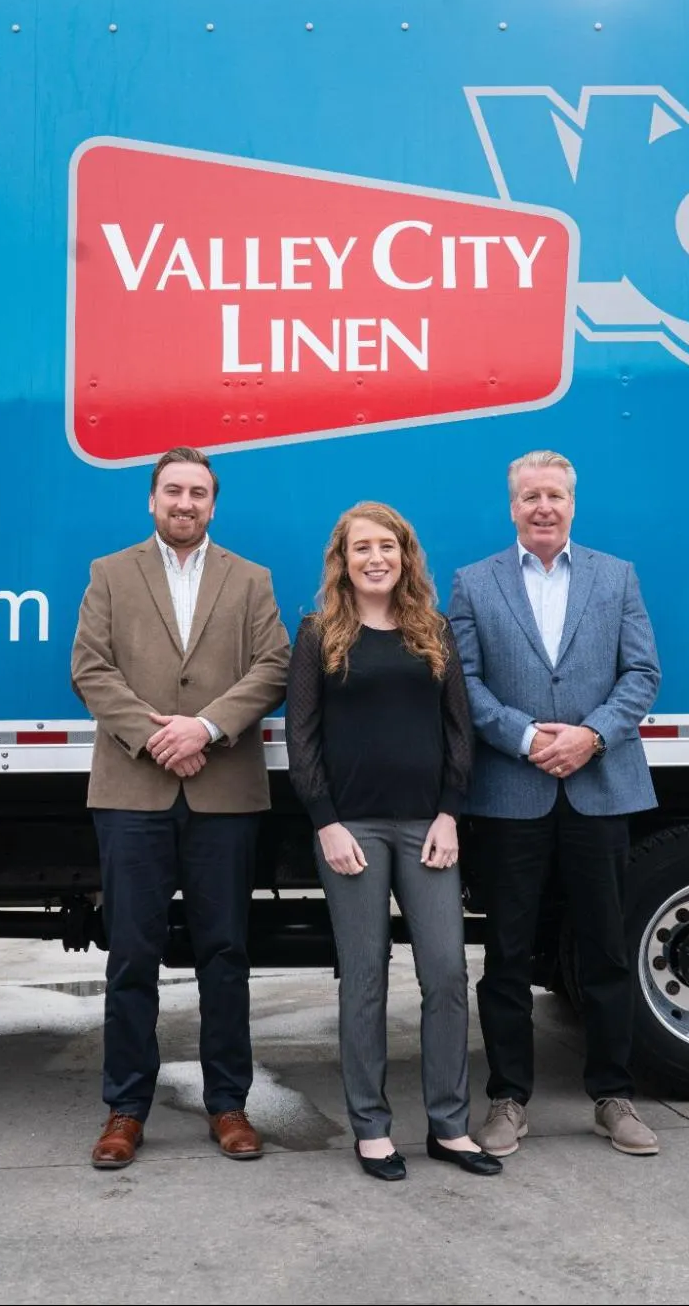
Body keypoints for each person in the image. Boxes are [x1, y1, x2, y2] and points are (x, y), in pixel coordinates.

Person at [69, 446, 292, 1170]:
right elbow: (89, 669)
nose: (184, 503)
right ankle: (124, 1109)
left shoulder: (250, 579)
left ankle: (228, 1104)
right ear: (151, 500)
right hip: (132, 790)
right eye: (172, 491)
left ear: (213, 505)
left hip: (223, 792)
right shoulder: (110, 573)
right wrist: (157, 736)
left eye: (198, 492)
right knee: (132, 955)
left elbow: (274, 669)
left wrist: (205, 727)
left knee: (224, 953)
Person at [445, 450, 663, 1158]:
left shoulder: (615, 576)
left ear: (573, 504)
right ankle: (507, 1100)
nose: (543, 507)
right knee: (506, 954)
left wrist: (592, 736)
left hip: (598, 789)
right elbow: (463, 685)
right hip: (511, 793)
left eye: (555, 496)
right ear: (511, 506)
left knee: (603, 950)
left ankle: (613, 1096)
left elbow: (642, 673)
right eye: (530, 496)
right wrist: (525, 735)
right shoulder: (472, 584)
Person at [285, 502, 502, 1182]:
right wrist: (325, 821)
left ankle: (448, 1125)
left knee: (444, 972)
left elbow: (459, 729)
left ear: (405, 556)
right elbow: (301, 736)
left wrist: (448, 814)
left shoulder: (429, 630)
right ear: (342, 561)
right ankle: (372, 1129)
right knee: (366, 977)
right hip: (353, 831)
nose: (374, 557)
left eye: (387, 545)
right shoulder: (319, 633)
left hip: (426, 828)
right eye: (360, 548)